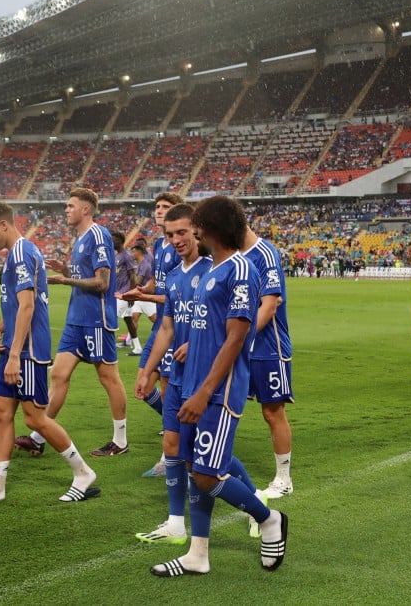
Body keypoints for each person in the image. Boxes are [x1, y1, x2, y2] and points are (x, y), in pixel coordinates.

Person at [149, 195, 287, 578]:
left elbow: (236, 337)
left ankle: (270, 518)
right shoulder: (215, 269)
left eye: (196, 225)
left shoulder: (240, 269)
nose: (193, 231)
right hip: (195, 382)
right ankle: (198, 554)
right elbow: (212, 330)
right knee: (198, 468)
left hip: (219, 390)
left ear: (210, 229)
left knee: (209, 475)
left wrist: (203, 391)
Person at [0, 201, 99, 502]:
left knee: (35, 419)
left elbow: (28, 305)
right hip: (15, 346)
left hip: (27, 351)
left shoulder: (22, 253)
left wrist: (13, 355)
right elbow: (18, 304)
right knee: (2, 413)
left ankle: (83, 473)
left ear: (4, 225)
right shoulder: (18, 254)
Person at [14, 187, 129, 457]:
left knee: (108, 377)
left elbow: (102, 283)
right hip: (75, 319)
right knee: (59, 374)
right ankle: (38, 437)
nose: (65, 210)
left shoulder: (98, 236)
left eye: (70, 205)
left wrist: (65, 280)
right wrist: (66, 270)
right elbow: (86, 274)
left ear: (85, 209)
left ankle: (120, 440)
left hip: (95, 320)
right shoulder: (79, 239)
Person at [134, 203, 214, 544]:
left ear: (196, 229)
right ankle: (175, 523)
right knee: (172, 444)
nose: (176, 240)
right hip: (178, 373)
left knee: (204, 457)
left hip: (205, 377)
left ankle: (257, 504)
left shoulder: (214, 270)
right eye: (169, 235)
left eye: (182, 232)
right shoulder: (177, 275)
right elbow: (166, 327)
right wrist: (147, 370)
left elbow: (229, 327)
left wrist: (196, 345)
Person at [122, 192, 184, 477]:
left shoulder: (180, 245)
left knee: (168, 390)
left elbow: (178, 295)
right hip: (160, 327)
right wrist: (144, 290)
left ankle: (168, 457)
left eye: (166, 208)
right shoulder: (160, 244)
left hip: (173, 328)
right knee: (143, 387)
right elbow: (159, 285)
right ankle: (181, 424)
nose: (159, 211)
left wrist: (146, 296)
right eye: (158, 207)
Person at [242, 225, 294, 499]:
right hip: (242, 347)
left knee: (272, 412)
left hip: (268, 347)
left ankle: (284, 478)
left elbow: (270, 305)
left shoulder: (264, 253)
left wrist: (238, 338)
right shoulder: (233, 256)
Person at [126, 243, 157, 356]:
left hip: (145, 297)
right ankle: (131, 342)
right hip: (139, 297)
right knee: (133, 318)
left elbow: (138, 282)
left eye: (133, 251)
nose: (132, 254)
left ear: (138, 251)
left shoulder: (144, 265)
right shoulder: (140, 264)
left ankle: (171, 334)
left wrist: (129, 275)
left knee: (156, 319)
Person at [112, 231, 139, 353]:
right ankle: (137, 347)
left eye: (113, 239)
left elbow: (132, 276)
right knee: (128, 320)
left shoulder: (126, 256)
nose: (111, 241)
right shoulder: (117, 256)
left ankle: (107, 347)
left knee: (110, 320)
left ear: (119, 240)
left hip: (123, 294)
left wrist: (132, 295)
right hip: (118, 293)